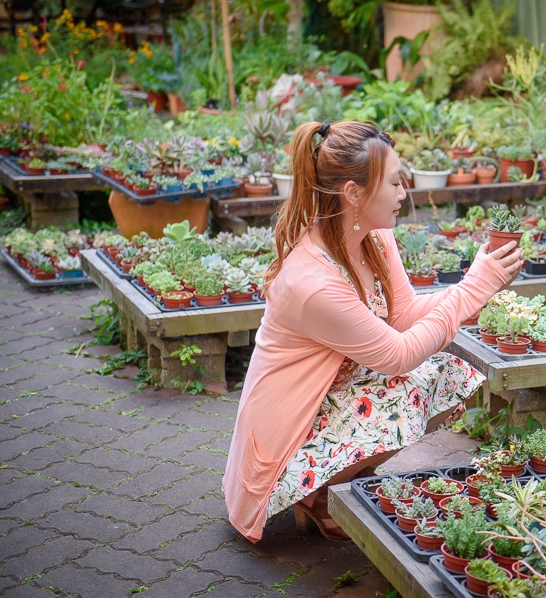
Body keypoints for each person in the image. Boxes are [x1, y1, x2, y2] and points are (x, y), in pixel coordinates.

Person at [223, 121, 522, 542]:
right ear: (354, 193)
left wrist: (476, 289)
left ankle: (338, 483)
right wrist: (475, 286)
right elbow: (397, 354)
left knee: (441, 369)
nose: (404, 193)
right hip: (285, 434)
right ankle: (316, 494)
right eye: (395, 183)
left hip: (329, 394)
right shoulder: (312, 282)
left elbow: (404, 314)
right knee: (407, 383)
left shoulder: (372, 236)